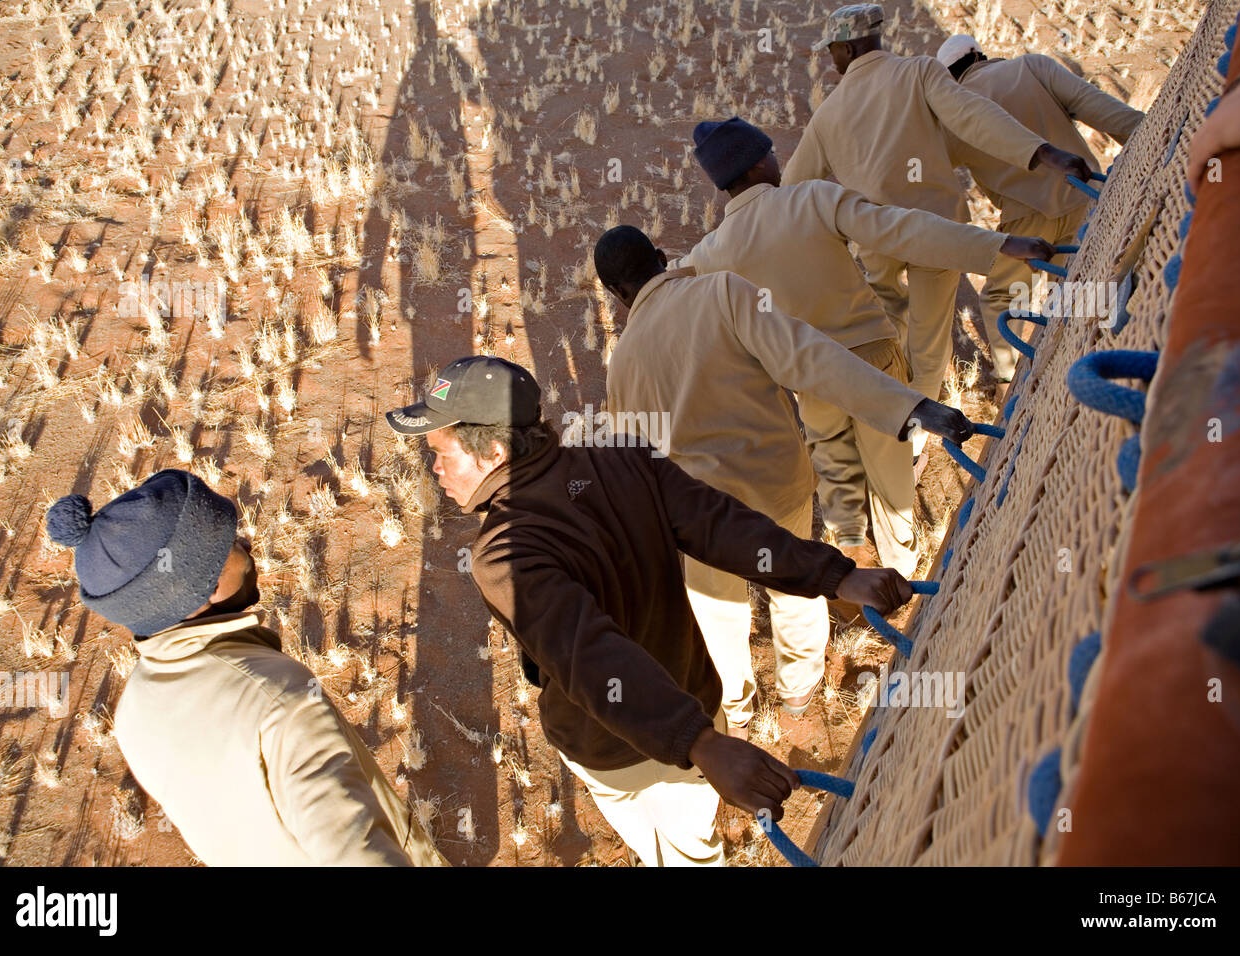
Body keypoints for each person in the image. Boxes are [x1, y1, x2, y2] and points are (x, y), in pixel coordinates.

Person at [384, 355, 915, 866]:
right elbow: (721, 524)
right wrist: (836, 575)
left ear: (493, 452)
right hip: (694, 703)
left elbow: (590, 658)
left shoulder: (503, 553)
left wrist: (699, 745)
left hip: (624, 751)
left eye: (442, 452)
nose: (435, 469)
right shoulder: (621, 458)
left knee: (688, 853)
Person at [594, 224, 974, 737]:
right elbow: (810, 358)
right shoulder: (723, 292)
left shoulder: (622, 365)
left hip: (699, 515)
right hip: (776, 483)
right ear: (662, 256)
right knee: (795, 583)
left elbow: (633, 462)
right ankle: (798, 690)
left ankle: (738, 709)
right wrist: (910, 406)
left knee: (715, 612)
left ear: (615, 295)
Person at [678, 116, 1054, 573]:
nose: (779, 161)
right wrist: (999, 245)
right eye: (771, 154)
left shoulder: (711, 253)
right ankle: (902, 566)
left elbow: (671, 281)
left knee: (835, 472)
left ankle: (854, 557)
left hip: (809, 381)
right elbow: (905, 230)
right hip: (870, 358)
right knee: (891, 476)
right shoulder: (812, 198)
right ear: (757, 165)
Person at [45, 470, 446, 867]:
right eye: (228, 543)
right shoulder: (278, 699)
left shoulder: (132, 710)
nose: (245, 543)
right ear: (208, 587)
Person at [784, 3, 1091, 438]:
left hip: (876, 241)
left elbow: (790, 190)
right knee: (928, 346)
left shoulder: (827, 116)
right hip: (937, 238)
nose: (829, 59)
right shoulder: (920, 72)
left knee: (890, 331)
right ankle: (914, 439)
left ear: (848, 47)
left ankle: (890, 418)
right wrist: (1041, 152)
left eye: (831, 50)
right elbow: (976, 118)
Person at [935, 35, 1145, 380]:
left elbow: (931, 179)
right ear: (979, 55)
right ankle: (1106, 357)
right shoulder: (1032, 67)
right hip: (1086, 197)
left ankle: (1015, 385)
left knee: (1003, 298)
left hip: (1025, 222)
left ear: (949, 76)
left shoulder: (952, 113)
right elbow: (1108, 114)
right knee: (1082, 291)